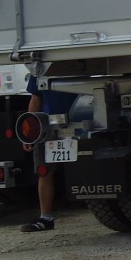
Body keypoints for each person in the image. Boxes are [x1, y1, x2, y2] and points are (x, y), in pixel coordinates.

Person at [19, 74, 77, 233]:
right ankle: (45, 218)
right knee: (44, 172)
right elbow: (35, 99)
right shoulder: (38, 70)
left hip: (79, 121)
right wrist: (30, 129)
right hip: (49, 125)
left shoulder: (78, 64)